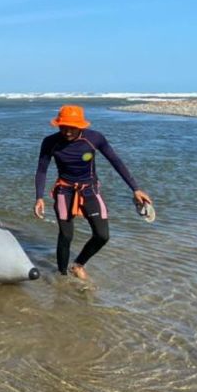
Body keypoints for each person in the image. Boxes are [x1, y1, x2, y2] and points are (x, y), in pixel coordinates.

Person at [32, 105, 152, 281]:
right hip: (64, 191)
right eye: (63, 127)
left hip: (90, 190)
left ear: (81, 125)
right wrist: (39, 198)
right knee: (66, 235)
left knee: (102, 235)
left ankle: (78, 264)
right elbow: (42, 170)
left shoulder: (94, 138)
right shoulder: (50, 142)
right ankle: (62, 278)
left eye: (72, 127)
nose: (67, 131)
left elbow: (116, 161)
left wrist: (135, 189)